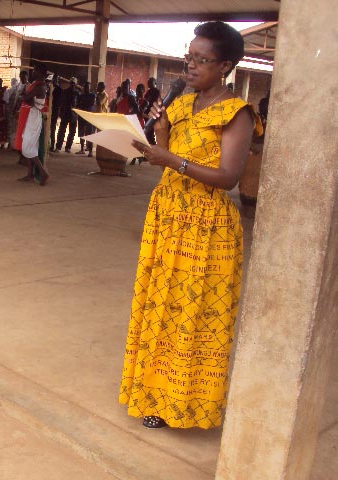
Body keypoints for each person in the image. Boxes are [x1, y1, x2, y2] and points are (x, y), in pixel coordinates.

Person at [120, 20, 263, 430]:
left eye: (202, 60)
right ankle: (151, 394)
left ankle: (183, 404)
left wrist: (171, 160)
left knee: (192, 314)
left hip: (206, 225)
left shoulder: (237, 113)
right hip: (167, 214)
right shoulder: (180, 104)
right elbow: (165, 157)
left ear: (226, 66)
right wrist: (159, 138)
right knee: (159, 306)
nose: (190, 66)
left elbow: (228, 177)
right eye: (188, 57)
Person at [14, 62, 49, 185]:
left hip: (33, 117)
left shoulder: (40, 86)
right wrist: (26, 97)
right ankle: (30, 174)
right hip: (30, 115)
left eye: (35, 70)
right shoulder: (36, 84)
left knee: (28, 146)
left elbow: (25, 97)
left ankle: (43, 172)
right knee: (28, 145)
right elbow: (26, 97)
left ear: (40, 72)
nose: (32, 72)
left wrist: (25, 96)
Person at [55, 77, 79, 153]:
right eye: (71, 83)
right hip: (65, 113)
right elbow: (61, 103)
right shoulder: (64, 92)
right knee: (62, 131)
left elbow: (78, 104)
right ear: (69, 83)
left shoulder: (77, 93)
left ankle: (68, 147)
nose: (72, 84)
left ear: (75, 84)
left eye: (74, 83)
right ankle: (58, 147)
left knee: (72, 132)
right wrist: (60, 113)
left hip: (74, 115)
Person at [76, 81, 96, 156]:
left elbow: (91, 103)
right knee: (81, 133)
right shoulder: (81, 95)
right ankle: (81, 149)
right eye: (85, 87)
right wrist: (82, 104)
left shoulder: (92, 95)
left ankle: (90, 151)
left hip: (88, 116)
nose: (86, 88)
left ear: (90, 88)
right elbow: (78, 104)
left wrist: (82, 104)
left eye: (88, 87)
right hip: (81, 116)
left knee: (89, 134)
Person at [143, 77, 162, 145]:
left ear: (155, 83)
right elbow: (145, 100)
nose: (149, 84)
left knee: (150, 130)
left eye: (150, 82)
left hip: (153, 113)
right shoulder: (149, 92)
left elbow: (157, 101)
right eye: (148, 83)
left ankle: (151, 143)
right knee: (147, 130)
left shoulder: (156, 91)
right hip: (147, 113)